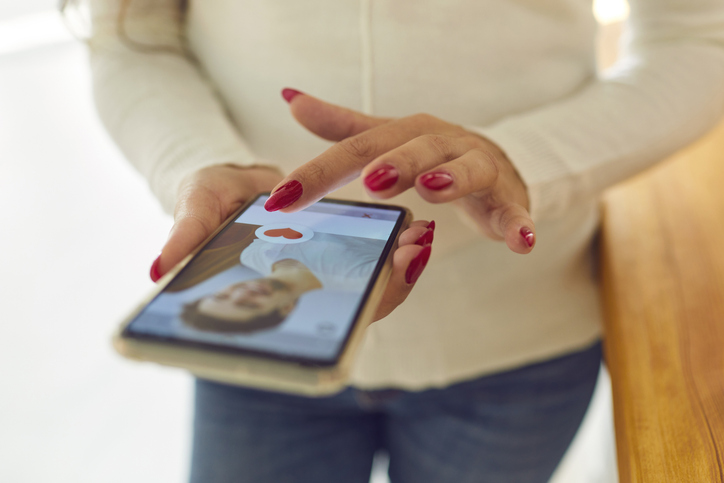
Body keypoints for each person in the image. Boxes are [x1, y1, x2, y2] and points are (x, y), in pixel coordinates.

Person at [80, 0, 724, 481]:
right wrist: (198, 160)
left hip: (517, 338)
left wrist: (522, 157)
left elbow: (697, 36)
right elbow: (133, 38)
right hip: (258, 338)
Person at [179, 229, 388, 334]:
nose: (240, 293)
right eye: (247, 305)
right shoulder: (361, 277)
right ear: (286, 308)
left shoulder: (251, 255)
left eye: (221, 295)